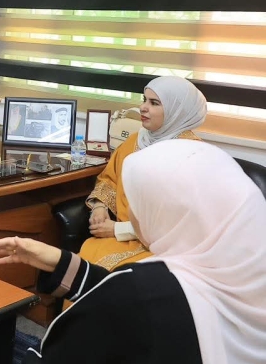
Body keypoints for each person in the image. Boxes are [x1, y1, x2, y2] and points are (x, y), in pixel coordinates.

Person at [0, 140, 266, 364]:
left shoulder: (142, 293)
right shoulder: (244, 269)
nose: (132, 215)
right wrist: (61, 263)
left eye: (139, 204)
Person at [80, 76, 207, 270]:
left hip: (165, 248)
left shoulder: (191, 154)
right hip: (121, 239)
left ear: (177, 111)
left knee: (112, 274)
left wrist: (118, 229)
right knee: (83, 260)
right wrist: (100, 207)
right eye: (144, 100)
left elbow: (179, 222)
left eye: (154, 103)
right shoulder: (135, 141)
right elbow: (110, 180)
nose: (143, 107)